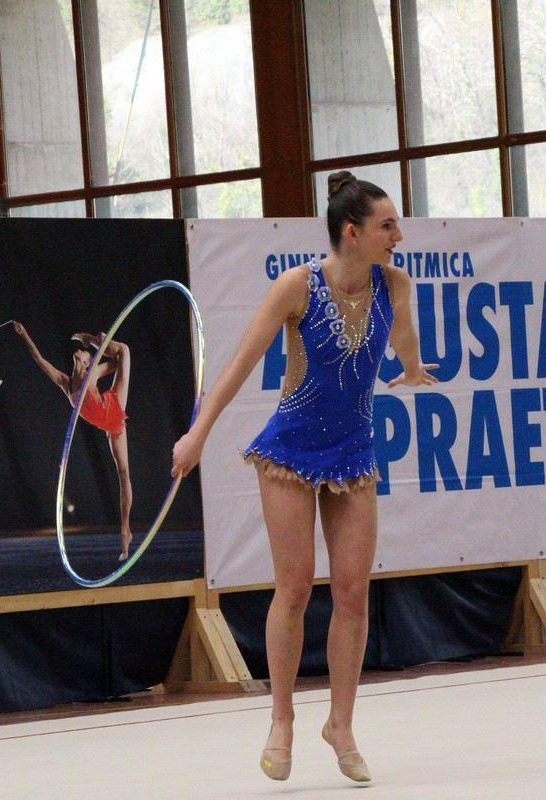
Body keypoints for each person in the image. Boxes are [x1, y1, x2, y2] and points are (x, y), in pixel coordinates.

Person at [170, 171, 437, 784]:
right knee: (294, 588)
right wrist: (198, 433)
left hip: (353, 451)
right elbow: (239, 364)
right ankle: (283, 717)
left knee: (351, 592)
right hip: (290, 451)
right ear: (353, 232)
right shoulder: (297, 286)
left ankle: (340, 724)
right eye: (387, 225)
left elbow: (403, 338)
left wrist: (414, 370)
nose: (399, 234)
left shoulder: (394, 282)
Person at [15, 323, 133, 561]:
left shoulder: (92, 373)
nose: (77, 351)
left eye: (83, 351)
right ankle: (98, 339)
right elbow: (39, 360)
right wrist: (24, 334)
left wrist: (98, 345)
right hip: (108, 426)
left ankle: (125, 529)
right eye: (82, 349)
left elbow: (114, 364)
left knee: (125, 351)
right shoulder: (65, 382)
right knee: (122, 352)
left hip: (115, 409)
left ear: (88, 361)